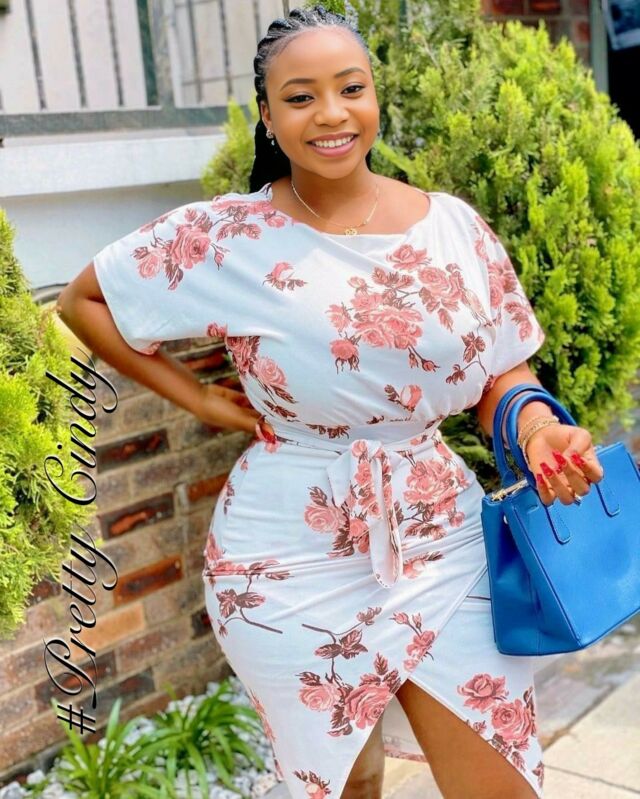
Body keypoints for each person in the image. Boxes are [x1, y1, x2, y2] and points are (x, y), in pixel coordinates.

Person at [57, 4, 604, 798]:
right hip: (287, 556)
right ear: (268, 115)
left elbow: (500, 374)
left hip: (442, 540)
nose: (331, 113)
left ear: (375, 96)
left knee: (502, 782)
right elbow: (84, 300)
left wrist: (539, 424)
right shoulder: (229, 236)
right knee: (342, 788)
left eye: (350, 88)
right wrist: (202, 401)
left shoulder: (453, 227)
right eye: (301, 96)